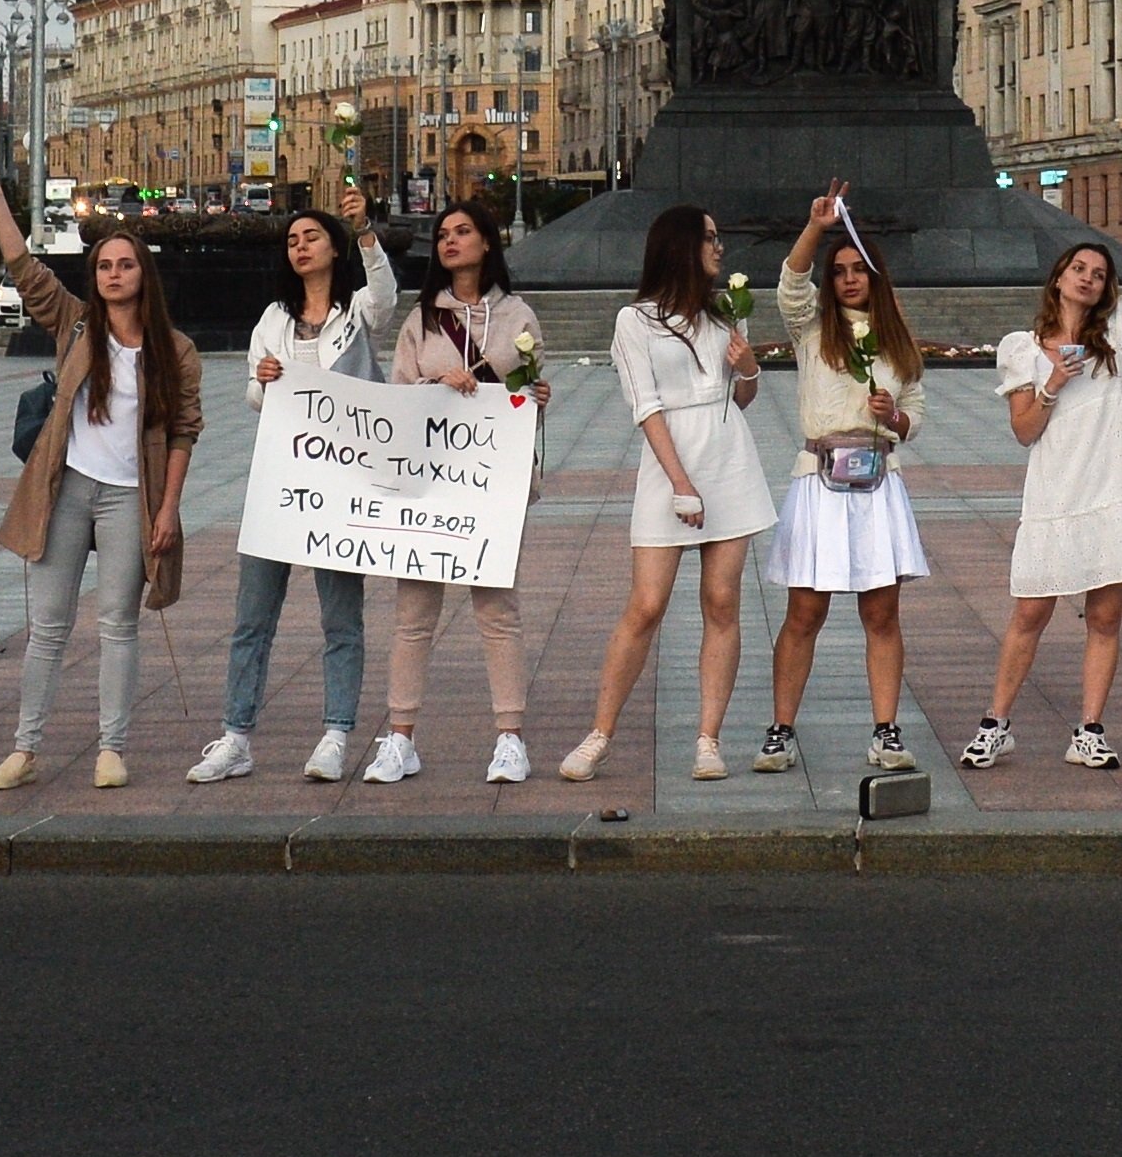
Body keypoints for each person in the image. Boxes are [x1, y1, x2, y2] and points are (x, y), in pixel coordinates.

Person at [0, 165, 202, 791]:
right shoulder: (76, 323)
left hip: (134, 497)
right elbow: (25, 270)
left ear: (142, 274)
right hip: (67, 489)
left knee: (117, 626)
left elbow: (184, 431)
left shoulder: (175, 350)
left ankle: (112, 748)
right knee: (48, 627)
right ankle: (25, 749)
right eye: (105, 266)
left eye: (125, 265)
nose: (114, 275)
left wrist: (167, 512)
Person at [559, 206, 779, 783]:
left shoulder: (728, 313)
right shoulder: (636, 320)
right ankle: (599, 733)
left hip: (730, 460)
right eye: (709, 238)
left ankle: (709, 739)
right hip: (670, 466)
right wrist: (681, 482)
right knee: (647, 604)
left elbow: (742, 398)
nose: (719, 247)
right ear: (680, 246)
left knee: (723, 601)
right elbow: (645, 406)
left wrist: (751, 368)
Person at [966, 219, 1122, 772]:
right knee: (1030, 611)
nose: (1088, 279)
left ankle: (1089, 729)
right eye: (1079, 270)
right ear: (1059, 277)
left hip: (1110, 489)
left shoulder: (1113, 338)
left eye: (1098, 274)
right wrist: (1052, 384)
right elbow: (1024, 431)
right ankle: (996, 722)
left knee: (1105, 617)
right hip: (1056, 494)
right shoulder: (1023, 348)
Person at [194, 205, 389, 784]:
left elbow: (386, 296)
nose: (300, 247)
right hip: (280, 480)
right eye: (292, 240)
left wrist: (367, 236)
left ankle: (336, 733)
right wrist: (265, 382)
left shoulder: (356, 313)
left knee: (341, 617)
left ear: (334, 248)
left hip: (340, 482)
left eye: (312, 237)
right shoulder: (273, 318)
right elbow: (255, 392)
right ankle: (235, 736)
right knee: (253, 614)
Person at [762, 186, 930, 779]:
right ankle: (780, 729)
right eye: (840, 271)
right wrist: (816, 227)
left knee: (881, 613)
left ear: (876, 276)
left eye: (859, 269)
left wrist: (895, 417)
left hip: (879, 480)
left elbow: (915, 409)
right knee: (804, 612)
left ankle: (886, 730)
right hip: (820, 480)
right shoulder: (811, 329)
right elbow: (790, 282)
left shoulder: (897, 338)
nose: (850, 279)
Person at [374, 199, 545, 785]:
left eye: (462, 232)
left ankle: (510, 738)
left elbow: (525, 401)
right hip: (428, 487)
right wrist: (432, 382)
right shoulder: (422, 319)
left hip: (489, 486)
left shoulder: (519, 316)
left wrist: (533, 399)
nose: (450, 241)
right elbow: (396, 402)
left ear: (487, 243)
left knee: (497, 610)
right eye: (443, 234)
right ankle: (400, 738)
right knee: (414, 613)